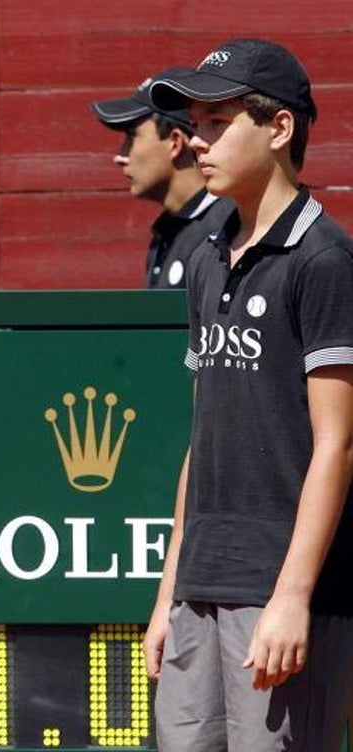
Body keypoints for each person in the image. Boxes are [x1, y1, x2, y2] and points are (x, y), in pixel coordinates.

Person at [140, 39, 353, 750]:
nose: (195, 140)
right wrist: (170, 593)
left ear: (279, 128)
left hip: (282, 601)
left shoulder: (324, 262)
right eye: (194, 123)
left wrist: (293, 598)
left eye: (216, 120)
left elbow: (338, 444)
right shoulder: (205, 258)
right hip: (199, 589)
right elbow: (205, 438)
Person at [91, 67, 234, 288]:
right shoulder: (169, 231)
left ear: (175, 143)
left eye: (131, 137)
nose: (119, 157)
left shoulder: (228, 228)